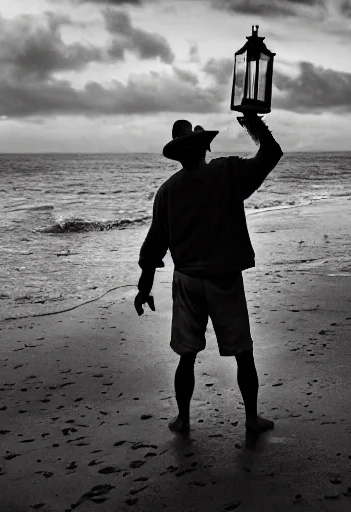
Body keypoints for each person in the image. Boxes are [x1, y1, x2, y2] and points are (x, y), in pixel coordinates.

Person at [134, 114, 283, 435]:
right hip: (225, 279)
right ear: (204, 148)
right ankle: (251, 419)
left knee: (186, 356)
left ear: (179, 153)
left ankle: (183, 419)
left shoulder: (167, 191)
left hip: (187, 282)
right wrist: (253, 124)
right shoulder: (226, 173)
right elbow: (270, 154)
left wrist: (144, 287)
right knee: (243, 352)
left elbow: (154, 245)